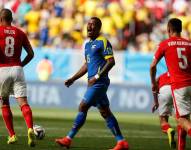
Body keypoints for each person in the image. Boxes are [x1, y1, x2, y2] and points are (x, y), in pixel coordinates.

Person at [55, 17, 129, 150]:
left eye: (93, 25)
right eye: (88, 24)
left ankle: (68, 139)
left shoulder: (103, 41)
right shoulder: (88, 45)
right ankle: (121, 142)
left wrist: (97, 76)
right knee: (105, 112)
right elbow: (87, 65)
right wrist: (73, 78)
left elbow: (111, 61)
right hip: (93, 82)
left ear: (99, 28)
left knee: (83, 106)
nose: (89, 27)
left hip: (99, 82)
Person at [150, 18, 191, 150]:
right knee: (184, 119)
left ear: (168, 30)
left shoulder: (165, 44)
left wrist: (153, 82)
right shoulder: (189, 44)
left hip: (179, 86)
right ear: (181, 29)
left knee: (180, 120)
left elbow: (152, 66)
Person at [0, 8, 35, 147]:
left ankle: (12, 135)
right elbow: (31, 54)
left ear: (1, 19)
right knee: (23, 103)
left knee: (4, 102)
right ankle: (30, 128)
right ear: (11, 19)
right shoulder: (20, 33)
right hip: (17, 68)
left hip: (2, 69)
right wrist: (21, 64)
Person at [152, 72, 176, 148]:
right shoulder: (178, 73)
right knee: (182, 120)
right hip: (177, 90)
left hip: (165, 91)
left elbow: (154, 88)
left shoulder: (161, 76)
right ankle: (181, 144)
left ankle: (169, 130)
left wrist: (156, 102)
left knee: (163, 121)